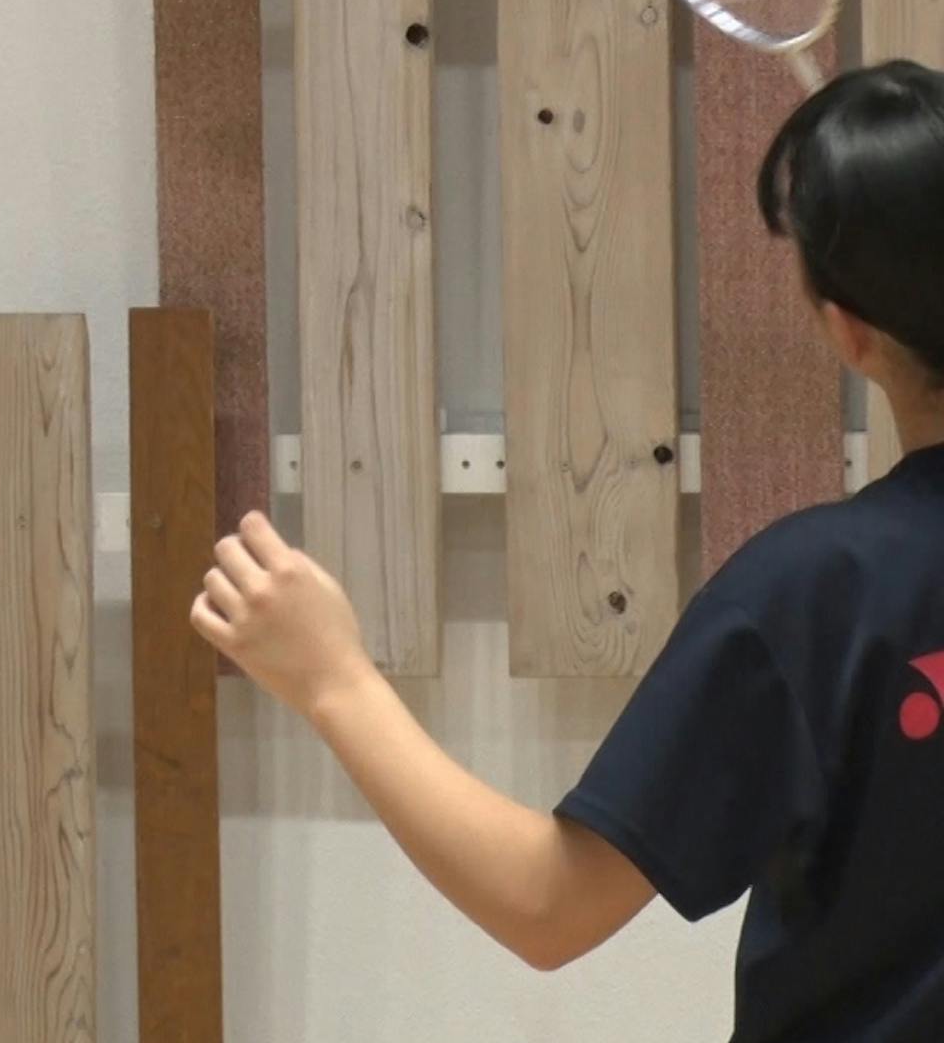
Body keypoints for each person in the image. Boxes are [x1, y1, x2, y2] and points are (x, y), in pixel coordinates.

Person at [192, 59, 944, 1041]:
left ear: (848, 332)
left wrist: (334, 679)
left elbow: (550, 906)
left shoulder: (812, 599)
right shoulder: (814, 597)